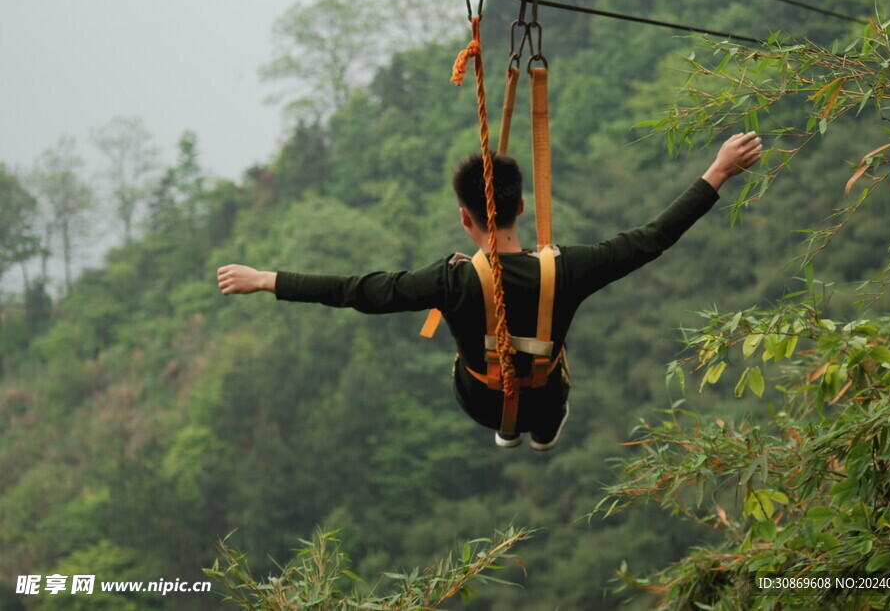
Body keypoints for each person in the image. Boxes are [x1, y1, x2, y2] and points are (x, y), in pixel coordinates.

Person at [217, 131, 763, 451]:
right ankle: (543, 428)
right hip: (544, 398)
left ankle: (513, 427)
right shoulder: (566, 270)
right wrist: (717, 170)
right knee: (552, 356)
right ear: (520, 207)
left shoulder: (450, 280)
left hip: (483, 403)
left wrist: (266, 279)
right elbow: (651, 240)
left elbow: (360, 291)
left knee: (470, 357)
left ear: (464, 219)